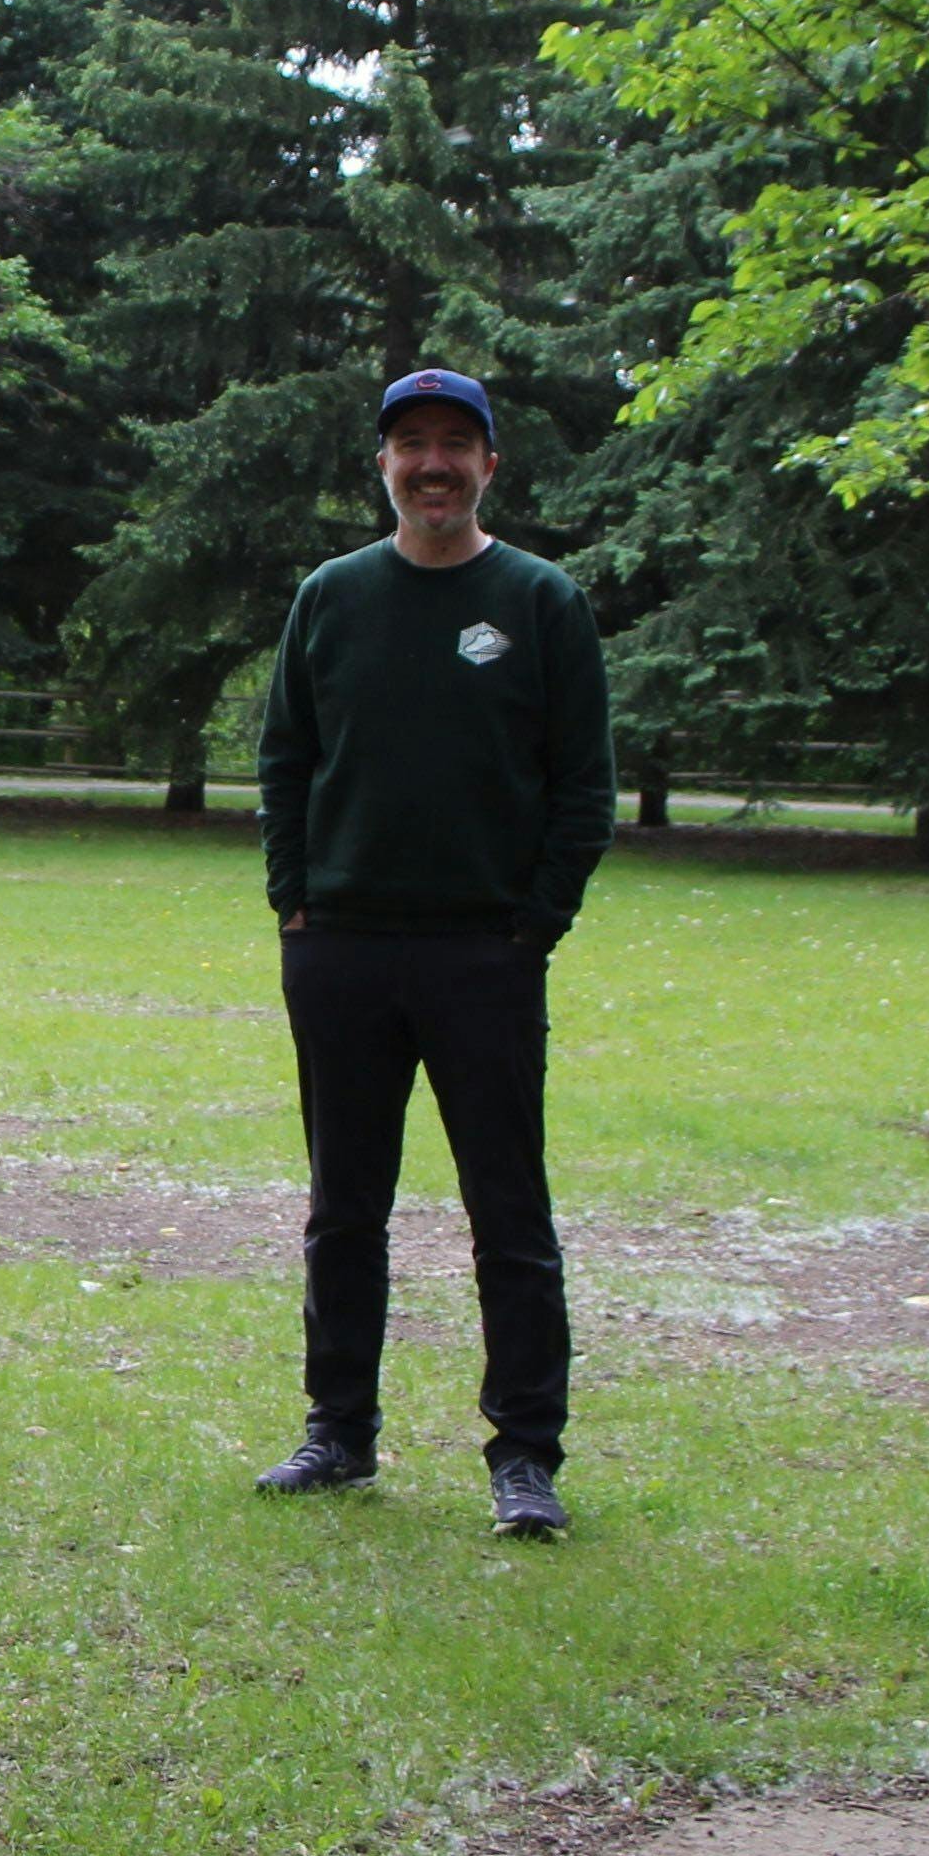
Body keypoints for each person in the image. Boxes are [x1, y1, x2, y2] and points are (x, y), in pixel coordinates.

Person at [248, 367, 614, 1537]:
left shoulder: (541, 601)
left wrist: (532, 925)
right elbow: (284, 760)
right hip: (342, 949)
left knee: (509, 1211)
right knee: (342, 1207)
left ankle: (526, 1456)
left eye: (457, 444)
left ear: (491, 465)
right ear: (384, 465)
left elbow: (583, 787)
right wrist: (294, 902)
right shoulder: (332, 595)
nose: (434, 464)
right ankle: (339, 1432)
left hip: (482, 957)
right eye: (412, 445)